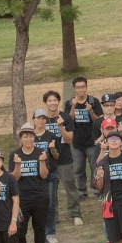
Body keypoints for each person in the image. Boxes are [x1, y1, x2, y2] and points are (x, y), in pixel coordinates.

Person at [9, 122, 49, 243]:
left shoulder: (41, 153)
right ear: (21, 139)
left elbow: (44, 175)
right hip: (22, 197)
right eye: (25, 136)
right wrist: (18, 165)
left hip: (40, 195)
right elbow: (14, 178)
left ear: (34, 137)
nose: (28, 139)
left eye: (31, 136)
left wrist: (43, 162)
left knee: (39, 226)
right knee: (21, 228)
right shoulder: (14, 155)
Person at [41, 90, 80, 231]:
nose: (52, 103)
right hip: (47, 161)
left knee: (70, 186)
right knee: (51, 191)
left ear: (58, 101)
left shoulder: (66, 118)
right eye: (49, 101)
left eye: (55, 100)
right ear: (45, 103)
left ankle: (75, 214)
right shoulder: (41, 119)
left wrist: (60, 126)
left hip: (65, 159)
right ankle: (54, 216)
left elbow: (69, 139)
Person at [30, 109, 61, 243]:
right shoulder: (30, 136)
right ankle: (40, 233)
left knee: (50, 204)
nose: (41, 121)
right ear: (34, 119)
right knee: (37, 205)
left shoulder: (51, 135)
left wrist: (52, 149)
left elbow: (57, 156)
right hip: (34, 176)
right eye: (38, 118)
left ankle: (50, 233)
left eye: (43, 118)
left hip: (51, 174)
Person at [68, 76, 102, 199]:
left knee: (95, 167)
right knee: (78, 169)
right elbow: (68, 121)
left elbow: (99, 122)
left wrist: (91, 111)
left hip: (92, 141)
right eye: (78, 87)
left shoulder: (93, 101)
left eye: (83, 87)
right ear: (74, 89)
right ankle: (82, 192)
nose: (80, 90)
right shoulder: (70, 103)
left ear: (86, 87)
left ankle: (97, 189)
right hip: (77, 143)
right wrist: (73, 107)